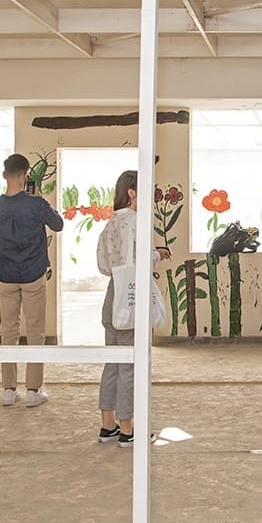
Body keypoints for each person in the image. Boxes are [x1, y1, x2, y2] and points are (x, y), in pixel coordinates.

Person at [96, 170, 172, 447]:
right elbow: (136, 261)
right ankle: (128, 429)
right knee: (130, 364)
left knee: (113, 361)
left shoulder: (112, 221)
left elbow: (103, 262)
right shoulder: (135, 221)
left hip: (113, 291)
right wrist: (156, 255)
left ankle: (108, 425)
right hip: (131, 294)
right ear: (132, 192)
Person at [0, 153, 64, 408]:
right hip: (32, 274)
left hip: (6, 274)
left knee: (8, 331)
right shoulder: (36, 205)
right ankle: (33, 390)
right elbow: (58, 224)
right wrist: (40, 198)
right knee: (35, 332)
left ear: (4, 175)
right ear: (27, 174)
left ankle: (9, 389)